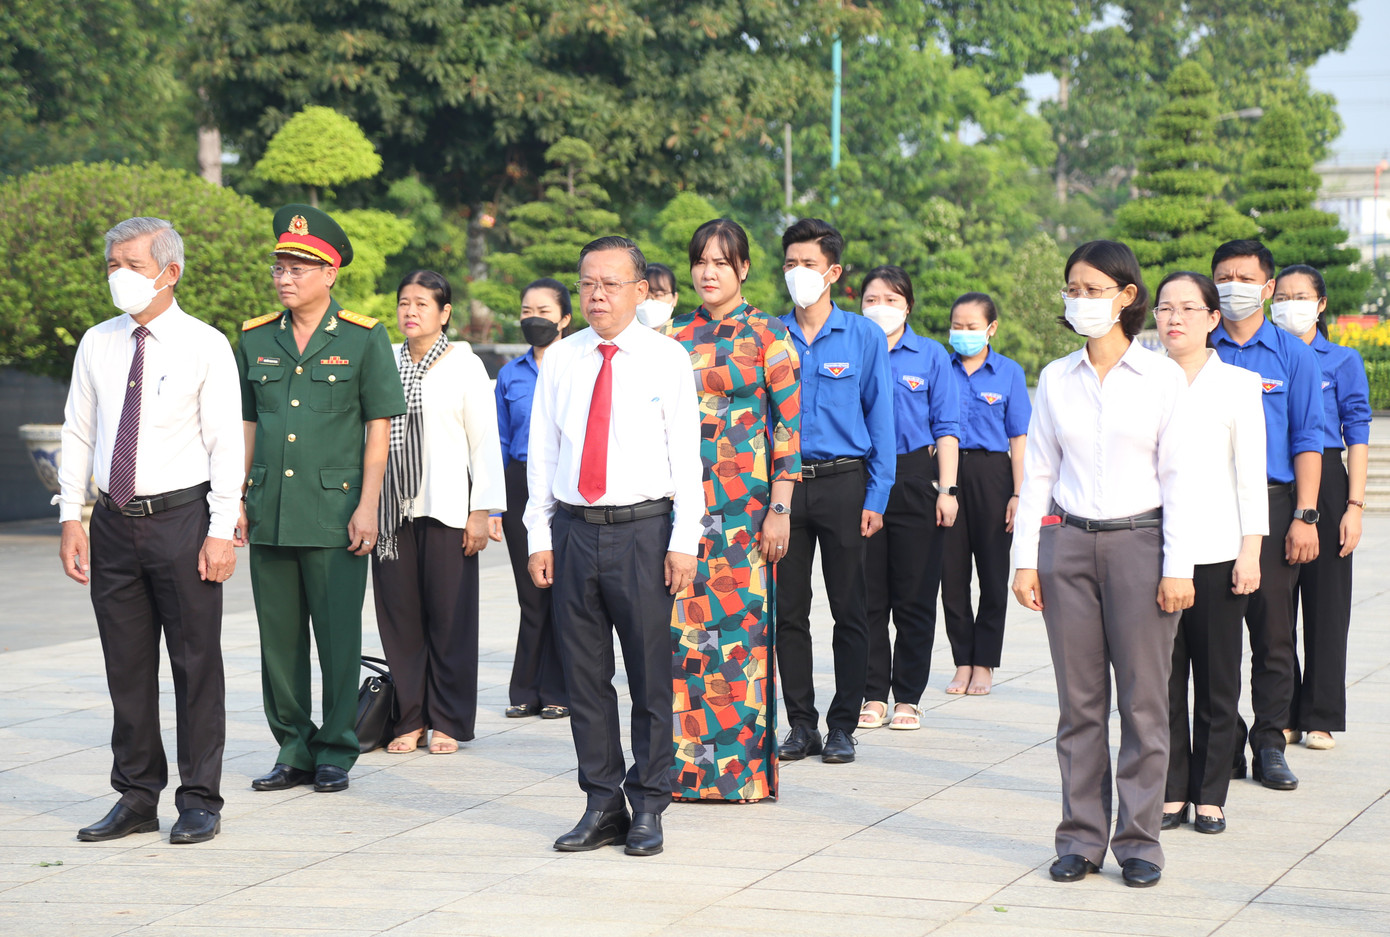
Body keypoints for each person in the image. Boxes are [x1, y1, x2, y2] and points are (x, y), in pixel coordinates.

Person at [1012, 239, 1196, 889]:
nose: (1080, 300)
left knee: (1145, 703)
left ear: (1126, 296)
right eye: (1073, 289)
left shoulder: (1162, 377)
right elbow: (1036, 472)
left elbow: (1180, 479)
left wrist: (1180, 567)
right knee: (1079, 705)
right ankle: (1081, 837)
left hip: (1142, 546)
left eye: (1093, 289)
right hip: (1067, 547)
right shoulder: (1056, 377)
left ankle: (1140, 840)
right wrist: (1025, 560)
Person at [58, 217, 243, 845]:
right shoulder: (97, 342)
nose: (119, 276)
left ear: (170, 271)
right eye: (112, 264)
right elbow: (78, 432)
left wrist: (221, 530)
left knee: (196, 665)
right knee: (126, 667)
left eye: (132, 265)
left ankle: (199, 800)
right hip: (112, 522)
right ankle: (137, 795)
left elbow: (225, 447)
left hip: (183, 521)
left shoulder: (206, 345)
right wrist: (69, 516)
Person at [524, 235, 702, 856]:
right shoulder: (564, 359)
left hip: (644, 532)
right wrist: (538, 534)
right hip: (573, 530)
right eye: (587, 284)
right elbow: (543, 454)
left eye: (610, 284)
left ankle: (650, 803)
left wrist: (684, 540)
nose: (596, 295)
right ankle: (602, 802)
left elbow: (688, 457)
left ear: (640, 290)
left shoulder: (665, 358)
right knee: (584, 677)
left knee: (650, 674)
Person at [236, 205, 407, 794]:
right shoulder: (255, 338)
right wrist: (236, 496)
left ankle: (337, 747)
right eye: (280, 266)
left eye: (300, 267)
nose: (285, 277)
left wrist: (368, 505)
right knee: (277, 640)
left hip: (336, 512)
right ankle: (292, 745)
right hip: (271, 511)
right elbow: (249, 424)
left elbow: (380, 426)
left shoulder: (364, 337)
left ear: (330, 273)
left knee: (338, 637)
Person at [662, 218, 801, 801]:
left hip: (747, 511)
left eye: (722, 262)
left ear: (743, 269)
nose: (709, 271)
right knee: (686, 637)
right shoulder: (672, 337)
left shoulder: (771, 335)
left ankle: (743, 779)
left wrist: (781, 506)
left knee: (743, 638)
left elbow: (789, 425)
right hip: (684, 507)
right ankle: (685, 773)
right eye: (701, 261)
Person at [775, 217, 895, 766]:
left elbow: (883, 419)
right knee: (788, 611)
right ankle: (801, 724)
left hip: (846, 482)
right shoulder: (770, 336)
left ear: (833, 272)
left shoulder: (865, 336)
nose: (799, 274)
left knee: (852, 608)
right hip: (786, 487)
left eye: (809, 264)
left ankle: (843, 724)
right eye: (791, 264)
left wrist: (877, 495)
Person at [371, 271, 505, 754]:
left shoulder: (464, 365)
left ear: (444, 313)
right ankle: (409, 718)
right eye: (404, 302)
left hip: (448, 509)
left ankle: (446, 719)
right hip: (390, 514)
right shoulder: (382, 360)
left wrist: (481, 510)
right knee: (399, 619)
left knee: (449, 620)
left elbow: (484, 440)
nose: (410, 311)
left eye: (422, 304)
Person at [1154, 272, 1267, 837]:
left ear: (1212, 318)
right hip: (1154, 553)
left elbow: (1251, 477)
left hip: (1221, 553)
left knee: (1218, 681)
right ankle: (1172, 790)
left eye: (1189, 308)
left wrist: (1251, 553)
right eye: (1165, 308)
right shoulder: (1143, 380)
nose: (1175, 318)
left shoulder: (1240, 385)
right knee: (1164, 682)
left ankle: (1210, 793)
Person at [1210, 239, 1324, 791]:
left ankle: (1270, 742)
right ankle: (1225, 739)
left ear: (1268, 287)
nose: (1233, 286)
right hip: (1209, 505)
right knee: (1213, 632)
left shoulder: (1293, 354)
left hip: (1277, 504)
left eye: (1244, 277)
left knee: (1274, 632)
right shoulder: (1196, 348)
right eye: (1223, 277)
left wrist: (1306, 514)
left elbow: (1308, 438)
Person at [1270, 264, 1370, 751]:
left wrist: (1354, 505)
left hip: (1329, 479)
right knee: (1276, 605)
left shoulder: (1343, 359)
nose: (1291, 303)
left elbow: (1359, 433)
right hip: (1277, 475)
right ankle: (1283, 712)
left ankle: (1321, 715)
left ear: (1321, 303)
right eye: (1283, 295)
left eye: (1301, 295)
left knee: (1327, 604)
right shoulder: (1265, 356)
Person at [857, 266, 959, 731]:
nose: (881, 307)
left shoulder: (932, 355)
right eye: (872, 299)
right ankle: (874, 693)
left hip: (917, 477)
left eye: (891, 299)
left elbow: (947, 427)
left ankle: (909, 697)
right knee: (868, 595)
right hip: (861, 476)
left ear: (908, 306)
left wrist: (948, 489)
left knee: (916, 595)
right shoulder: (853, 349)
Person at [941, 292, 1030, 697]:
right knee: (952, 575)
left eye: (972, 327)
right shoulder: (941, 368)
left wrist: (1018, 493)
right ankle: (962, 661)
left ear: (991, 329)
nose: (963, 333)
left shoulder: (1008, 372)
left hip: (994, 475)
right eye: (957, 326)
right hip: (948, 474)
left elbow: (1019, 438)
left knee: (993, 576)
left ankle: (985, 663)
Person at [494, 279, 573, 720]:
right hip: (521, 485)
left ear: (564, 319)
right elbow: (500, 443)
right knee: (532, 592)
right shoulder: (511, 374)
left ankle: (561, 688)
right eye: (526, 311)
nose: (534, 319)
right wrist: (492, 506)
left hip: (569, 487)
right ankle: (525, 688)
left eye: (543, 311)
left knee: (565, 592)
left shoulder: (577, 364)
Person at [636, 262, 679, 328]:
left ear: (675, 298)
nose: (649, 301)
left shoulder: (687, 336)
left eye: (658, 295)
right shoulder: (621, 336)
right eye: (644, 295)